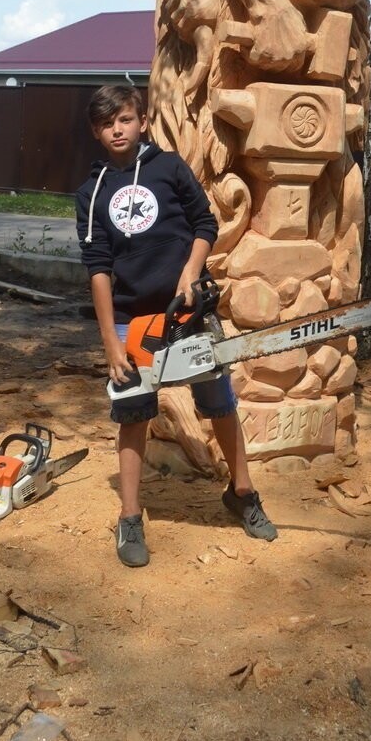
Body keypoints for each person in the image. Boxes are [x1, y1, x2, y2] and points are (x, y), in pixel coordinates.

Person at [75, 84, 277, 566]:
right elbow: (97, 266)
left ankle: (243, 491)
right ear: (96, 132)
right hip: (130, 322)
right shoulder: (91, 192)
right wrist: (109, 338)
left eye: (124, 119)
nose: (117, 129)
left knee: (219, 402)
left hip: (189, 313)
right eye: (107, 124)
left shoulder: (167, 168)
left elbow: (205, 223)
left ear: (141, 121)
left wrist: (191, 274)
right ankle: (129, 516)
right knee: (133, 415)